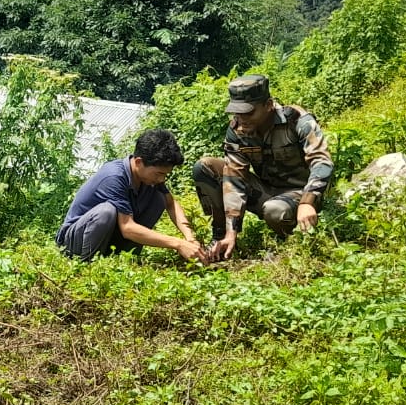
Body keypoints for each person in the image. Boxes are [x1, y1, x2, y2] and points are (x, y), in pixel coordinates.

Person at [192, 74, 334, 261]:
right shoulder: (237, 131)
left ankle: (287, 240)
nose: (241, 119)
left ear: (268, 105)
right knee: (205, 167)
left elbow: (322, 161)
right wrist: (231, 230)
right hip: (267, 191)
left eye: (248, 112)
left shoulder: (297, 120)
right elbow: (234, 179)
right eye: (237, 113)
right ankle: (221, 238)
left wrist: (308, 201)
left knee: (274, 210)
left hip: (303, 192)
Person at [56, 128, 207, 263]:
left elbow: (170, 203)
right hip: (73, 241)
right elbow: (127, 227)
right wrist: (178, 243)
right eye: (159, 174)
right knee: (106, 212)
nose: (162, 179)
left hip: (107, 238)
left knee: (159, 199)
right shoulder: (114, 177)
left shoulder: (149, 179)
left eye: (166, 175)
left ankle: (125, 259)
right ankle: (86, 264)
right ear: (139, 162)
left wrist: (190, 237)